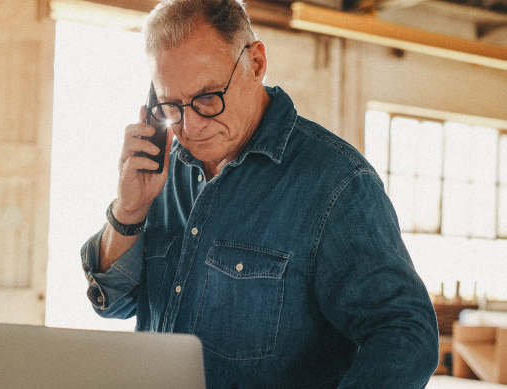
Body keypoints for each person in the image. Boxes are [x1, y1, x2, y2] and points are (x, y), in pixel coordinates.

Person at [79, 0, 439, 387]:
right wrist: (129, 210)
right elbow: (114, 303)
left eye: (206, 98)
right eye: (171, 106)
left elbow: (405, 333)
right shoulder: (163, 170)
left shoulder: (336, 183)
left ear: (256, 63)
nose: (192, 125)